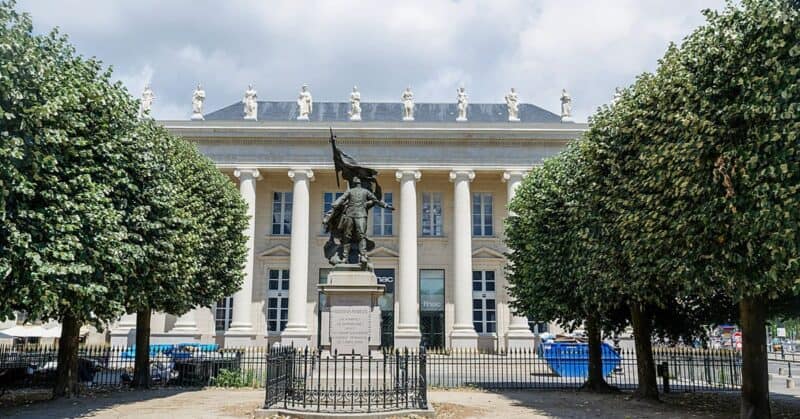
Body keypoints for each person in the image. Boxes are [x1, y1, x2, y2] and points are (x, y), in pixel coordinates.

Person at [325, 176, 393, 264]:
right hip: (359, 215)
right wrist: (386, 206)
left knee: (348, 237)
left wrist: (335, 204)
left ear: (354, 184)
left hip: (352, 215)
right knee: (360, 236)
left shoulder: (353, 191)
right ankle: (362, 256)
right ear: (361, 184)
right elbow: (376, 200)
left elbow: (341, 199)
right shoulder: (364, 191)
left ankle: (346, 257)